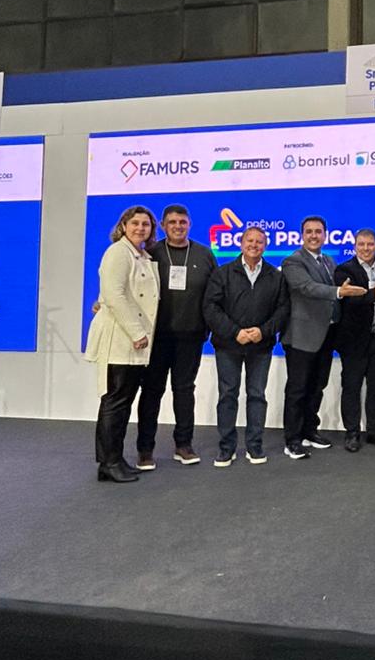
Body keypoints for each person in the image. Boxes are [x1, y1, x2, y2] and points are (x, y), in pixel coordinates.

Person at [134, 203, 216, 471]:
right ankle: (145, 449)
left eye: (182, 222)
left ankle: (184, 445)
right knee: (151, 392)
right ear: (163, 225)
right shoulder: (150, 253)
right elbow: (131, 288)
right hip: (156, 338)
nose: (178, 227)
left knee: (184, 391)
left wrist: (208, 327)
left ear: (189, 224)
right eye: (172, 222)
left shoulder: (204, 254)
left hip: (191, 337)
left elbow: (214, 295)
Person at [85, 205, 160, 483]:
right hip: (120, 338)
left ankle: (114, 458)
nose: (141, 228)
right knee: (114, 401)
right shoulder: (117, 252)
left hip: (133, 342)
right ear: (123, 226)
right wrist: (137, 332)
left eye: (146, 224)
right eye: (135, 223)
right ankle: (108, 462)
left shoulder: (141, 255)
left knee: (123, 402)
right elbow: (114, 295)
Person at [203, 226, 289, 467]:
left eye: (259, 242)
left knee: (257, 395)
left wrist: (263, 331)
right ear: (241, 244)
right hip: (228, 345)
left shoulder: (276, 276)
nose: (254, 245)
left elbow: (283, 309)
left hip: (261, 346)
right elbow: (210, 307)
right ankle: (226, 448)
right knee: (228, 395)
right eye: (250, 241)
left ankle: (254, 446)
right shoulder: (223, 273)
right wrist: (235, 332)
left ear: (265, 246)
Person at [281, 215, 365, 458]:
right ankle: (292, 439)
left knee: (317, 386)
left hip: (326, 335)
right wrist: (339, 291)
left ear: (325, 235)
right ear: (301, 235)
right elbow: (307, 288)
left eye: (318, 231)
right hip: (301, 336)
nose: (314, 236)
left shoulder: (328, 260)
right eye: (309, 231)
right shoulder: (293, 261)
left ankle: (309, 430)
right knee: (297, 389)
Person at [333, 228, 375, 452]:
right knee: (351, 386)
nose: (366, 249)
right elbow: (349, 300)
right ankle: (352, 433)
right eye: (361, 244)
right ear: (355, 246)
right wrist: (374, 295)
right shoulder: (344, 270)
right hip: (353, 339)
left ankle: (374, 431)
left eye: (370, 244)